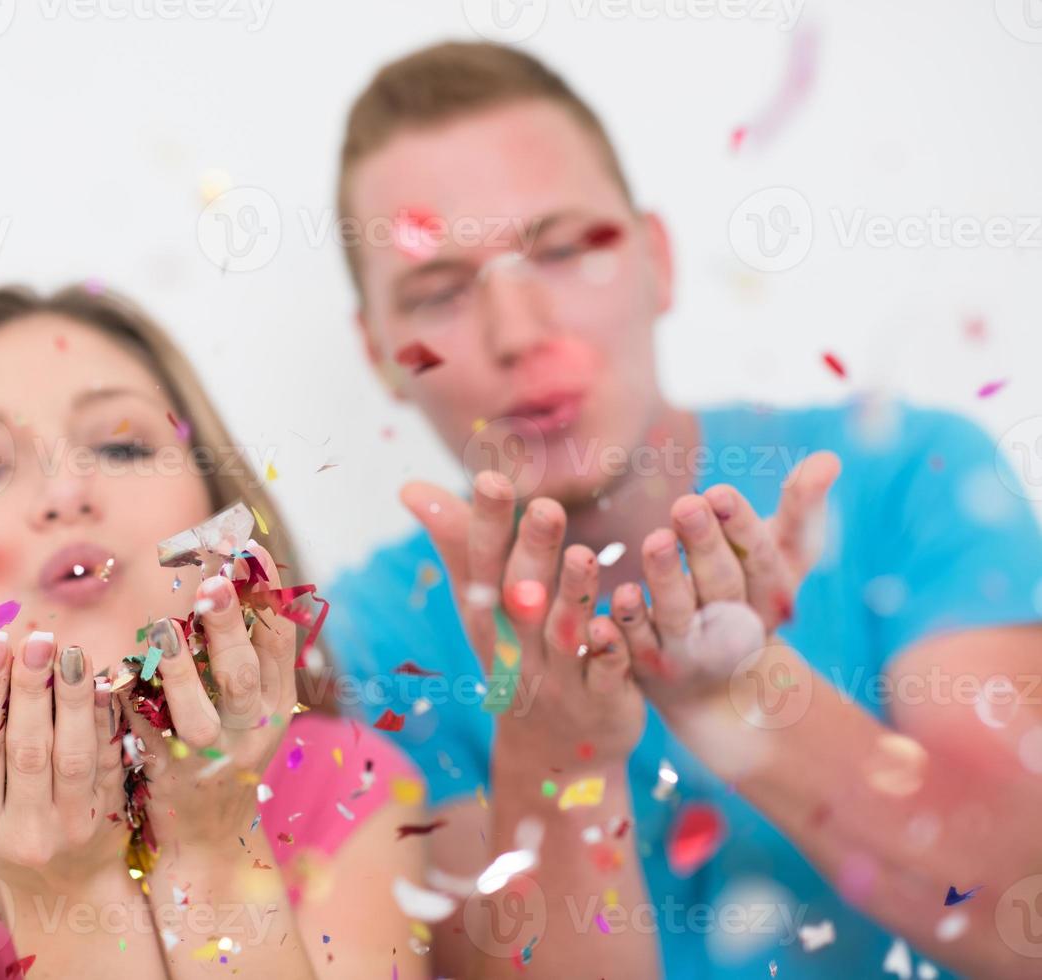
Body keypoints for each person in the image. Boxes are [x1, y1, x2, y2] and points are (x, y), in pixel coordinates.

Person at [324, 40, 1042, 979]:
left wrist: (739, 694)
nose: (519, 332)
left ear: (658, 262)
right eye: (440, 291)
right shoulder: (370, 647)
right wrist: (553, 745)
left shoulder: (909, 473)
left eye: (564, 248)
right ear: (379, 352)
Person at [0, 283, 429, 979]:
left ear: (222, 524)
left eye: (122, 447)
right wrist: (64, 897)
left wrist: (212, 847)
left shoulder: (347, 786)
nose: (66, 493)